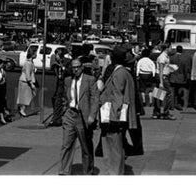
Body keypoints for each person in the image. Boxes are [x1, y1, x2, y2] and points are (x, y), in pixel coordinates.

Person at [98, 45, 138, 175]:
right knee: (112, 147)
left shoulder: (119, 73)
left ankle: (114, 173)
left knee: (113, 148)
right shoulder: (122, 71)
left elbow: (117, 96)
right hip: (114, 114)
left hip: (113, 116)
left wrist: (113, 118)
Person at [59, 58, 99, 175]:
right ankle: (64, 171)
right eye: (73, 67)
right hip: (70, 115)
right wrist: (64, 113)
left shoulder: (89, 80)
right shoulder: (67, 80)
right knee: (66, 144)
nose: (75, 70)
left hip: (83, 116)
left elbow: (95, 98)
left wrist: (92, 115)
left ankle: (88, 171)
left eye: (77, 67)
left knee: (86, 146)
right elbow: (63, 97)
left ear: (82, 67)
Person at [155, 43, 177, 120]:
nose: (172, 49)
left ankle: (156, 112)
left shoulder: (165, 56)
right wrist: (161, 82)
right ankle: (165, 112)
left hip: (162, 76)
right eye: (171, 47)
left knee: (158, 95)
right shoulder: (162, 58)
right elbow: (161, 70)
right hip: (163, 77)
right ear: (167, 48)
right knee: (168, 94)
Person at [49, 47, 70, 127]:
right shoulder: (55, 63)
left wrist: (62, 66)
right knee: (57, 100)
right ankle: (57, 118)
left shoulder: (67, 62)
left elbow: (69, 72)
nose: (55, 56)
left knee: (67, 100)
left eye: (57, 54)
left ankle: (64, 117)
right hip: (59, 83)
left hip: (66, 83)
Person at [169, 45, 192, 111]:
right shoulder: (184, 59)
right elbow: (185, 69)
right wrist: (186, 77)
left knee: (172, 92)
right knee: (180, 92)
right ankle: (179, 105)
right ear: (182, 50)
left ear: (176, 50)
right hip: (181, 78)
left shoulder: (172, 58)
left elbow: (169, 68)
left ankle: (172, 106)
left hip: (173, 77)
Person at [17, 46, 37, 117]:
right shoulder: (28, 63)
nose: (37, 54)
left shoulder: (30, 62)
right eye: (36, 53)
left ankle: (21, 108)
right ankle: (22, 109)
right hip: (25, 81)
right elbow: (28, 74)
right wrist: (31, 83)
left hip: (26, 81)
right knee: (27, 96)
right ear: (33, 54)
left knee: (29, 95)